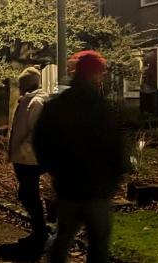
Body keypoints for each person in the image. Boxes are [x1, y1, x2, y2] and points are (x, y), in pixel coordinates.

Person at [34, 51, 127, 263]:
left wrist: (55, 170)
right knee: (99, 242)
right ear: (95, 73)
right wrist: (115, 176)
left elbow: (41, 140)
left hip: (69, 186)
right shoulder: (101, 106)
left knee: (64, 237)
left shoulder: (58, 103)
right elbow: (115, 143)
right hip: (97, 187)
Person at [8, 66, 52, 254]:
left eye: (21, 83)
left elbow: (38, 132)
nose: (19, 86)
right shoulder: (31, 101)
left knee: (28, 195)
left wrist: (23, 150)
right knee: (28, 194)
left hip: (30, 159)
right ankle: (39, 231)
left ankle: (40, 233)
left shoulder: (36, 102)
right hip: (27, 158)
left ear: (27, 84)